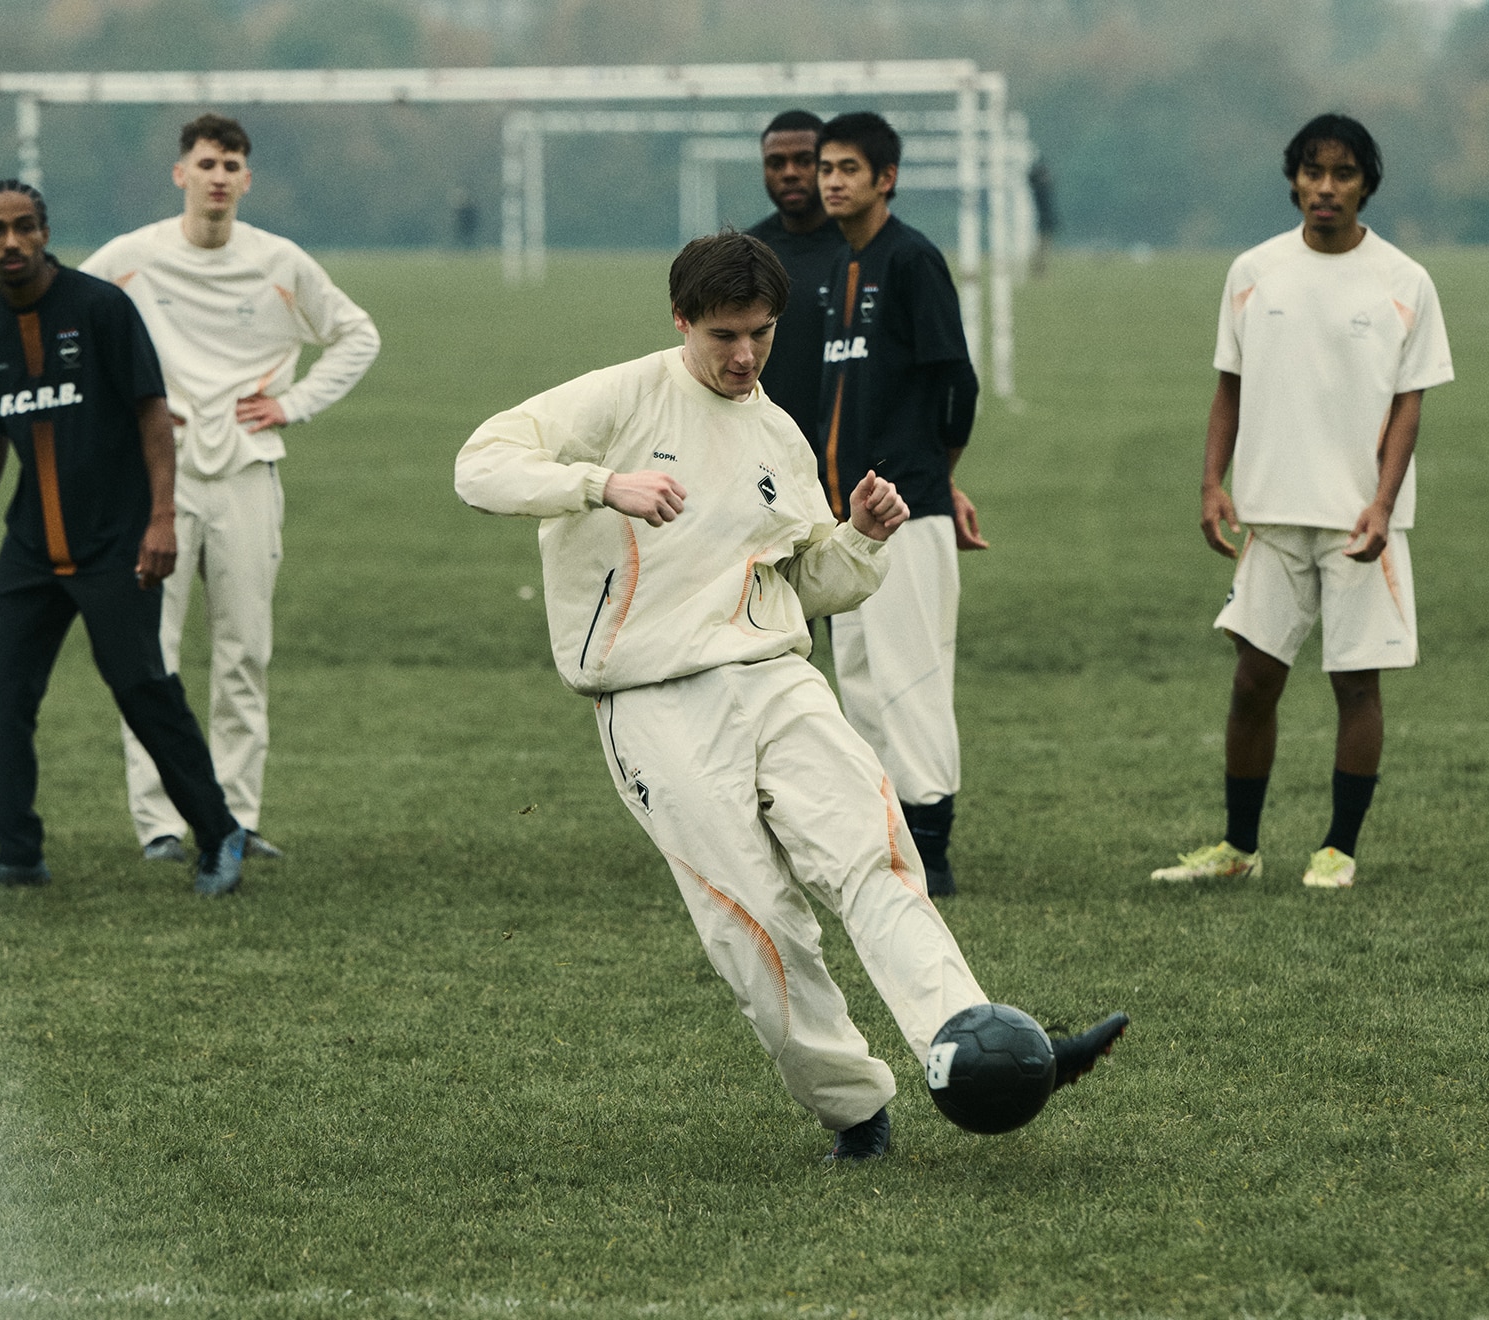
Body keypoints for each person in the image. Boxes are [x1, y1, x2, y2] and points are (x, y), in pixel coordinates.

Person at [453, 231, 1124, 1161]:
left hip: (776, 678)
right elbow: (479, 465)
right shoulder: (622, 397)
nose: (744, 356)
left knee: (874, 854)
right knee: (760, 923)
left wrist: (860, 538)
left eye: (761, 334)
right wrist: (603, 486)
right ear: (681, 320)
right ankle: (855, 1108)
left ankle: (980, 1050)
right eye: (724, 335)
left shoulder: (778, 433)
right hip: (653, 700)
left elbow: (804, 584)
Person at [1150, 114, 1453, 891]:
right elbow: (1229, 386)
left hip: (1360, 521)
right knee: (1254, 680)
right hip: (1272, 514)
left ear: (1365, 185)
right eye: (1313, 171)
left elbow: (1409, 407)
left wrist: (1382, 503)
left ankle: (1338, 849)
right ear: (1293, 180)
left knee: (1356, 683)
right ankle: (1239, 849)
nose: (1326, 187)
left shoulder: (1405, 281)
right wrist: (1212, 484)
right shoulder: (1254, 271)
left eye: (1343, 173)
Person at [81, 112, 382, 864]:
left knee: (244, 652)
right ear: (181, 173)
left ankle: (237, 817)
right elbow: (70, 324)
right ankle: (159, 825)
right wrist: (122, 411)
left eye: (231, 166)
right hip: (157, 480)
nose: (218, 177)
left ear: (247, 180)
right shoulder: (131, 256)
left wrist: (295, 403)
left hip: (247, 472)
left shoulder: (280, 261)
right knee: (151, 656)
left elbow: (358, 335)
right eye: (206, 163)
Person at [0, 180, 247, 897]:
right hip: (31, 547)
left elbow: (152, 414)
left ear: (44, 233)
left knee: (141, 687)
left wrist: (162, 518)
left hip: (115, 540)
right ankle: (17, 852)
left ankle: (219, 833)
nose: (11, 242)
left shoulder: (100, 308)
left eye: (23, 226)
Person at [811, 111, 985, 898]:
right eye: (827, 168)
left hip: (906, 510)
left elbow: (957, 382)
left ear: (886, 179)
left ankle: (932, 848)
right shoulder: (840, 265)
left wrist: (934, 478)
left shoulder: (912, 259)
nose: (833, 181)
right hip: (848, 520)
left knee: (910, 677)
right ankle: (887, 837)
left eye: (848, 168)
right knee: (860, 677)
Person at [743, 109, 848, 441]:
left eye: (804, 161)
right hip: (764, 447)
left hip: (849, 453)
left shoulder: (863, 249)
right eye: (776, 163)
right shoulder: (744, 254)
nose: (789, 173)